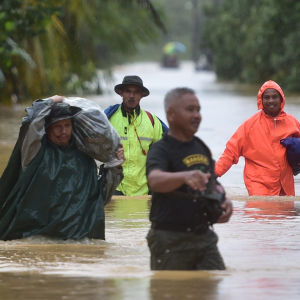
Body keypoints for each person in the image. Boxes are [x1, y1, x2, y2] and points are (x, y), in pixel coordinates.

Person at [0, 96, 125, 240]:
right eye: (58, 126)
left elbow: (98, 199)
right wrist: (50, 101)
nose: (63, 131)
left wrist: (115, 167)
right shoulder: (35, 154)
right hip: (36, 233)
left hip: (76, 237)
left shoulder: (85, 159)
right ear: (47, 128)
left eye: (67, 125)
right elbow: (31, 122)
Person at [146, 87, 233, 270]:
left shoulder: (201, 147)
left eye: (198, 110)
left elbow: (212, 183)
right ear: (171, 114)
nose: (197, 115)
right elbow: (154, 180)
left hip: (204, 237)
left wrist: (224, 200)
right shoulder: (161, 149)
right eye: (190, 110)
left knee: (213, 286)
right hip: (170, 239)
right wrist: (184, 176)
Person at [215, 80, 300, 196]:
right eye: (267, 97)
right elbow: (230, 152)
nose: (271, 101)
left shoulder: (292, 123)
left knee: (286, 213)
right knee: (260, 210)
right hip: (258, 184)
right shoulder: (249, 125)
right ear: (261, 100)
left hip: (285, 185)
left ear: (281, 99)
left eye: (275, 97)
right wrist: (214, 173)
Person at [105, 75, 168, 196]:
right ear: (121, 93)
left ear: (142, 95)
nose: (132, 96)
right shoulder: (108, 119)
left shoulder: (152, 121)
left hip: (143, 191)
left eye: (136, 92)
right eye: (128, 91)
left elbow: (162, 154)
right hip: (115, 189)